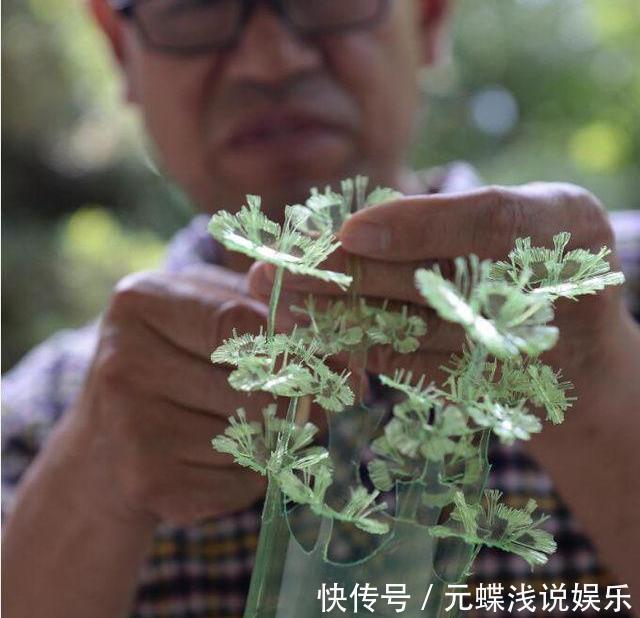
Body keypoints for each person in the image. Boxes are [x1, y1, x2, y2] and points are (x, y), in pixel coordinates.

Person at [2, 0, 639, 616]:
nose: (269, 61)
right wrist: (92, 491)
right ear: (120, 48)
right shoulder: (39, 421)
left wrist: (606, 387)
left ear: (429, 14)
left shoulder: (609, 292)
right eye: (197, 6)